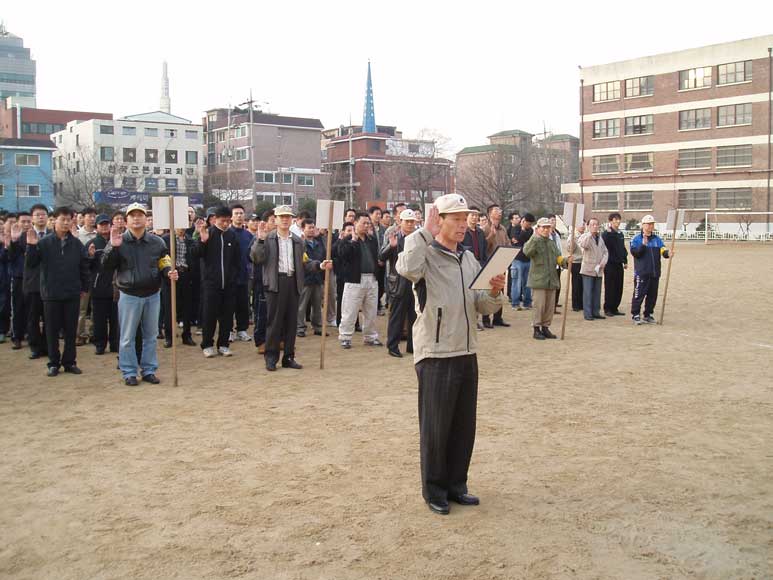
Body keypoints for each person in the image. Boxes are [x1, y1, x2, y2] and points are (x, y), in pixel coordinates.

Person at [396, 193, 506, 516]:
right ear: (438, 220)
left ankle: (458, 485)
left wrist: (496, 291)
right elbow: (406, 267)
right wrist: (423, 233)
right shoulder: (424, 253)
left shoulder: (469, 259)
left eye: (464, 218)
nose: (463, 224)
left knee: (463, 426)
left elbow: (482, 305)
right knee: (436, 427)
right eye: (455, 219)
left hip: (467, 350)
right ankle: (434, 490)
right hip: (436, 353)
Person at [102, 203, 178, 386]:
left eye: (140, 215)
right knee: (127, 337)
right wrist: (113, 247)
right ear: (126, 220)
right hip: (129, 295)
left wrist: (169, 272)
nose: (136, 218)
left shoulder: (157, 242)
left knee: (150, 336)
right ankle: (128, 371)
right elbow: (106, 265)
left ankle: (149, 370)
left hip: (152, 294)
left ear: (146, 219)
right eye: (132, 215)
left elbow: (163, 261)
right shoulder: (118, 241)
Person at [251, 205, 332, 371]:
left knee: (291, 323)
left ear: (292, 219)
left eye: (288, 216)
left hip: (293, 283)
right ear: (276, 218)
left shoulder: (297, 241)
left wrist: (319, 265)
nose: (285, 219)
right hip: (275, 283)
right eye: (282, 217)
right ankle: (271, 356)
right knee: (274, 322)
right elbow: (256, 258)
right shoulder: (267, 238)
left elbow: (305, 262)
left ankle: (289, 356)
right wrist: (259, 239)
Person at [24, 206, 89, 376]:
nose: (66, 223)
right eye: (63, 219)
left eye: (69, 219)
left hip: (72, 293)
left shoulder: (76, 244)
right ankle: (53, 363)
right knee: (51, 330)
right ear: (55, 221)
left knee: (70, 330)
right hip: (51, 293)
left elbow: (84, 267)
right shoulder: (44, 243)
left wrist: (84, 287)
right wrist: (31, 247)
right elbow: (31, 264)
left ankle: (69, 362)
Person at [193, 206, 240, 358]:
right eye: (222, 221)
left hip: (229, 284)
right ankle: (207, 344)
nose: (226, 224)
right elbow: (196, 254)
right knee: (209, 316)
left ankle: (224, 344)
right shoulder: (208, 233)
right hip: (211, 284)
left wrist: (234, 277)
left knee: (227, 316)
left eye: (228, 221)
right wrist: (203, 241)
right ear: (215, 219)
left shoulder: (232, 236)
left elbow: (237, 260)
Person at [336, 212, 382, 349]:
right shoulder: (347, 239)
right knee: (350, 310)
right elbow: (343, 255)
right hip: (354, 280)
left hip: (372, 279)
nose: (367, 226)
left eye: (368, 223)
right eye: (364, 223)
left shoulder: (372, 239)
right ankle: (345, 337)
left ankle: (370, 337)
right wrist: (354, 241)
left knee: (371, 311)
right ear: (355, 223)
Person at [10, 204, 50, 359]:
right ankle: (35, 347)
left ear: (47, 217)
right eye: (37, 215)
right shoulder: (22, 236)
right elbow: (12, 258)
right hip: (32, 284)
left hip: (50, 284)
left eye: (43, 214)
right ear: (32, 218)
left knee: (49, 318)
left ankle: (48, 346)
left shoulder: (54, 235)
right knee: (32, 318)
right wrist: (13, 241)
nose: (41, 217)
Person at [523, 217, 570, 340]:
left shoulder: (551, 243)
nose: (545, 229)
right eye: (543, 227)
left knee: (549, 307)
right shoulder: (534, 241)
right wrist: (534, 237)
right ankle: (536, 329)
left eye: (548, 227)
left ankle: (545, 327)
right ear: (537, 228)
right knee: (539, 306)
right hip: (538, 280)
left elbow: (558, 258)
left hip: (551, 280)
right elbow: (527, 252)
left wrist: (566, 261)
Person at [379, 208, 417, 357]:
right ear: (400, 222)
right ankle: (392, 346)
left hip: (414, 281)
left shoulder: (417, 238)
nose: (409, 224)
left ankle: (412, 345)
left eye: (412, 221)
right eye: (406, 221)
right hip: (398, 283)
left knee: (415, 316)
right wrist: (391, 246)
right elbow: (381, 257)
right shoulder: (393, 237)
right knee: (396, 317)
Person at [629, 214, 673, 325]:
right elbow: (635, 253)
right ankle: (636, 315)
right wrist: (643, 245)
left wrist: (668, 253)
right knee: (639, 294)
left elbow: (663, 250)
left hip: (655, 272)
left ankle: (648, 314)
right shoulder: (636, 239)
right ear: (643, 225)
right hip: (642, 272)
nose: (650, 226)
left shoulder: (657, 239)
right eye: (648, 224)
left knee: (652, 295)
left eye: (652, 224)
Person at [86, 214, 119, 355]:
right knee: (99, 319)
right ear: (97, 227)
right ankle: (100, 344)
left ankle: (115, 344)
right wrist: (90, 256)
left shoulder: (117, 240)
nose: (104, 227)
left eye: (107, 224)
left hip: (116, 286)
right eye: (101, 224)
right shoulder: (92, 243)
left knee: (115, 319)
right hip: (98, 286)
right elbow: (85, 266)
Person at [229, 204, 254, 343]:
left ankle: (242, 330)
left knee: (243, 304)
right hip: (229, 277)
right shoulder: (227, 233)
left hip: (244, 275)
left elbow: (251, 255)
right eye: (236, 213)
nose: (239, 216)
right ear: (232, 216)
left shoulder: (248, 235)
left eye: (241, 213)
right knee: (228, 305)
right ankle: (228, 330)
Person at [482, 204, 510, 328]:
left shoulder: (503, 228)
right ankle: (486, 318)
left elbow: (507, 242)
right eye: (496, 210)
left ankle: (498, 318)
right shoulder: (485, 229)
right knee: (488, 291)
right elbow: (484, 247)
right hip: (489, 263)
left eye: (500, 210)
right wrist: (491, 236)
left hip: (502, 263)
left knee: (500, 290)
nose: (499, 212)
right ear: (489, 213)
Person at [296, 218, 326, 337]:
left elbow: (323, 256)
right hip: (305, 279)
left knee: (317, 304)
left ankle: (318, 326)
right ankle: (300, 327)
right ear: (303, 229)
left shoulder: (319, 243)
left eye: (313, 227)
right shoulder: (299, 243)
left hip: (317, 278)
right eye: (309, 227)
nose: (312, 230)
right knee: (301, 306)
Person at [252, 209, 275, 352]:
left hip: (278, 281)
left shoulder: (281, 237)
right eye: (273, 220)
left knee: (278, 314)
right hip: (263, 281)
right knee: (263, 314)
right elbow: (254, 257)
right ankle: (261, 341)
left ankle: (279, 339)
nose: (276, 223)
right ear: (265, 223)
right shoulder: (259, 237)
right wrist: (261, 239)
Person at [577, 218, 609, 321]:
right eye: (592, 224)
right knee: (588, 292)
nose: (595, 226)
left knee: (597, 292)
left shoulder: (600, 238)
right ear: (588, 226)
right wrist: (589, 234)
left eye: (596, 224)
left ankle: (596, 311)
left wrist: (603, 262)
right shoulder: (585, 236)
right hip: (588, 268)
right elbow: (583, 245)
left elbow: (605, 251)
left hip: (598, 269)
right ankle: (588, 313)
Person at [602, 212, 628, 316]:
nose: (617, 221)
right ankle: (608, 308)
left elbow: (623, 248)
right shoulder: (606, 234)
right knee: (610, 286)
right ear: (610, 221)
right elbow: (604, 248)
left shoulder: (620, 234)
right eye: (615, 219)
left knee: (618, 286)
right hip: (609, 264)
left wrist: (625, 260)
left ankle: (615, 307)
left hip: (619, 264)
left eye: (618, 219)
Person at [510, 213, 535, 311]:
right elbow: (516, 240)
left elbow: (529, 242)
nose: (529, 226)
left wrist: (522, 237)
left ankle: (527, 302)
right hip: (517, 259)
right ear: (523, 221)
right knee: (516, 282)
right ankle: (515, 303)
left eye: (530, 224)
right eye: (528, 224)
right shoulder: (515, 229)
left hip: (528, 259)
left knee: (528, 283)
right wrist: (523, 231)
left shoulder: (531, 230)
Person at [566, 221, 585, 312]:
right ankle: (576, 304)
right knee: (576, 284)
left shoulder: (585, 235)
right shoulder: (573, 236)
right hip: (576, 262)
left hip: (584, 262)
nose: (583, 226)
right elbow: (570, 249)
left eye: (584, 224)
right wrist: (573, 239)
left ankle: (582, 303)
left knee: (582, 284)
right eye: (581, 224)